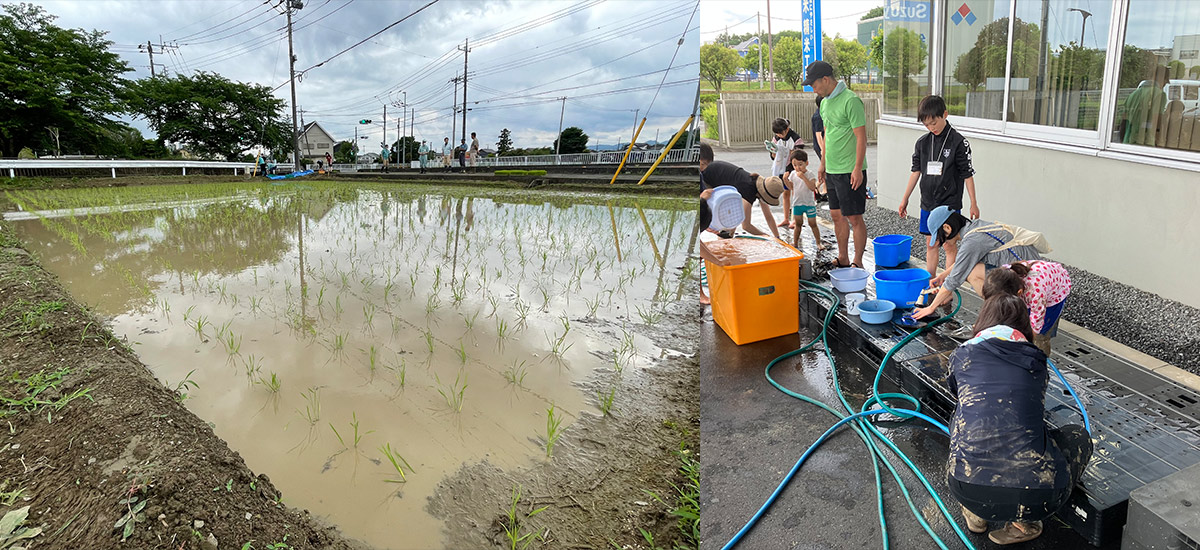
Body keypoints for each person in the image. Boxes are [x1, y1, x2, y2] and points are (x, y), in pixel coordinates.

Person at [946, 293, 1092, 545]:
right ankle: (1026, 523)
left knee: (961, 416)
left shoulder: (961, 355)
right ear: (1024, 326)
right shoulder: (1036, 361)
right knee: (1079, 437)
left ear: (983, 321)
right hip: (1040, 497)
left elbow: (958, 393)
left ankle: (976, 514)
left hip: (965, 487)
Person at [911, 206, 1048, 336]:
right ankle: (1001, 309)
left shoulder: (973, 241)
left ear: (947, 227)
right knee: (969, 269)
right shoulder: (976, 227)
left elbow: (955, 279)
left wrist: (930, 308)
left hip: (1030, 280)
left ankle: (1001, 311)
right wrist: (943, 276)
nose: (943, 242)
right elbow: (965, 261)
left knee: (971, 273)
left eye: (942, 237)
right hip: (1031, 270)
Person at [898, 95, 981, 279]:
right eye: (926, 125)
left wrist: (973, 203)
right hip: (928, 202)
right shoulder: (922, 143)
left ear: (945, 114)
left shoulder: (959, 142)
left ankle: (947, 286)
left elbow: (967, 174)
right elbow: (915, 171)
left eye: (933, 123)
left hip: (949, 204)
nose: (931, 128)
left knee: (949, 244)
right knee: (930, 243)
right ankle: (931, 281)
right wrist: (905, 198)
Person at [805, 60, 869, 269]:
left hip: (850, 170)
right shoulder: (824, 102)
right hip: (831, 169)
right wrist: (822, 164)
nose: (813, 89)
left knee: (854, 217)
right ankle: (843, 257)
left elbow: (861, 137)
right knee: (836, 215)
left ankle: (857, 261)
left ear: (825, 79)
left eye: (814, 84)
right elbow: (828, 135)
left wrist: (858, 168)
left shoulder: (851, 101)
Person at [698, 143, 785, 241]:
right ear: (764, 194)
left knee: (731, 221)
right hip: (709, 178)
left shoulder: (758, 183)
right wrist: (767, 237)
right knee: (717, 219)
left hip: (722, 184)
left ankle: (724, 240)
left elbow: (768, 216)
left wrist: (777, 237)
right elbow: (746, 226)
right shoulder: (748, 190)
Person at [982, 261, 1072, 355]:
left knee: (1039, 336)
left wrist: (1027, 342)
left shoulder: (1035, 292)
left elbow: (1037, 320)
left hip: (1056, 287)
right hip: (1035, 283)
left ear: (1019, 293)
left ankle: (1040, 359)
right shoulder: (1002, 276)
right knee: (1018, 322)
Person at [786, 149, 824, 252]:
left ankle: (818, 242)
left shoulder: (810, 174)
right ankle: (795, 242)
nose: (797, 167)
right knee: (798, 224)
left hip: (809, 204)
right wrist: (785, 180)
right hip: (797, 203)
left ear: (806, 163)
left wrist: (803, 177)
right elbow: (791, 187)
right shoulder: (793, 174)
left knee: (813, 224)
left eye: (800, 164)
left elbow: (812, 188)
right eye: (795, 165)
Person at [768, 117, 801, 228]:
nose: (779, 136)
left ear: (787, 129)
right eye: (777, 134)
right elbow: (773, 155)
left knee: (795, 194)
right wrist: (773, 152)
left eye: (781, 134)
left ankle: (795, 220)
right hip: (782, 169)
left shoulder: (795, 138)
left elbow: (799, 158)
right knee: (785, 194)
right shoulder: (776, 138)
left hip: (793, 170)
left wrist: (790, 169)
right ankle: (786, 219)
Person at [810, 96, 828, 203]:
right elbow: (818, 135)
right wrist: (823, 150)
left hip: (823, 147)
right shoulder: (818, 116)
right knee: (825, 169)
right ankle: (815, 188)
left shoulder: (823, 114)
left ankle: (823, 190)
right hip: (820, 147)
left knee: (826, 169)